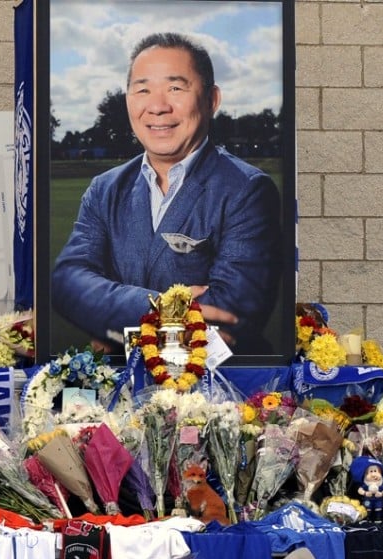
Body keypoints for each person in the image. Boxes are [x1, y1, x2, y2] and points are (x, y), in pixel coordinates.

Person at [51, 32, 283, 354]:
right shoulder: (105, 189)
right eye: (143, 90)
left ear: (211, 99)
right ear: (128, 99)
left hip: (219, 393)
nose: (158, 107)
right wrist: (159, 308)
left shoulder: (248, 190)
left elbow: (228, 318)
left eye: (175, 88)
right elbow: (67, 282)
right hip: (122, 392)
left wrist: (114, 330)